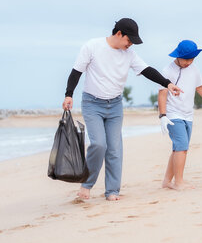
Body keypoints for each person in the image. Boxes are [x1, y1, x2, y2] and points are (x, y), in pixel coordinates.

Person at [62, 18, 182, 201]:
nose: (131, 44)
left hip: (115, 105)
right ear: (119, 34)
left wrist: (167, 83)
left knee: (115, 149)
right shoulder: (92, 46)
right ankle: (86, 184)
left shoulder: (129, 54)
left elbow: (147, 70)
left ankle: (112, 191)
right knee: (99, 144)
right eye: (129, 40)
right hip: (92, 104)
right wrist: (68, 94)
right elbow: (76, 72)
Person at [158, 39, 202, 190]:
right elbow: (162, 94)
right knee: (181, 146)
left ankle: (167, 181)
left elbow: (200, 88)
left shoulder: (194, 69)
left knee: (179, 148)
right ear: (178, 56)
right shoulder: (167, 70)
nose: (188, 62)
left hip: (188, 114)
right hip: (173, 114)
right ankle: (179, 182)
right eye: (186, 59)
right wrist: (163, 116)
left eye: (191, 59)